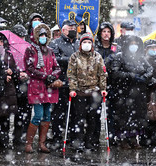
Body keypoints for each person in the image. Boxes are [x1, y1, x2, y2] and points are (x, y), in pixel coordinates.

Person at [24, 23, 61, 153]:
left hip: (49, 89)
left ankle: (42, 143)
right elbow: (30, 68)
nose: (43, 37)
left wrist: (53, 76)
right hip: (37, 88)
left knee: (47, 115)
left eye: (45, 35)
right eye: (41, 35)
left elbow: (57, 67)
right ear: (36, 36)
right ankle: (29, 143)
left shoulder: (50, 51)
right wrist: (45, 76)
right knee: (38, 115)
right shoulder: (30, 50)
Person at [67, 33, 107, 151]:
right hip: (80, 92)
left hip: (94, 92)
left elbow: (102, 74)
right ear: (80, 44)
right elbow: (71, 74)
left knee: (92, 117)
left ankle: (89, 141)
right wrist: (73, 88)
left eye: (89, 42)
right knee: (79, 117)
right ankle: (78, 141)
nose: (87, 45)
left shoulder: (97, 56)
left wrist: (103, 88)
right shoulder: (74, 57)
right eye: (84, 42)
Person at [112, 35, 153, 149]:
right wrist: (131, 76)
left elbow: (150, 69)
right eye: (131, 44)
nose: (134, 46)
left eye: (136, 44)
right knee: (124, 116)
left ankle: (134, 138)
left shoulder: (140, 57)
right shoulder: (120, 56)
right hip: (124, 92)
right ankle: (123, 139)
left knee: (137, 116)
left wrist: (144, 77)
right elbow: (115, 73)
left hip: (138, 92)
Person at [49, 19, 79, 149]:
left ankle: (72, 138)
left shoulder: (78, 43)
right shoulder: (55, 43)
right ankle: (56, 137)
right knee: (58, 113)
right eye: (70, 28)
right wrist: (72, 59)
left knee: (74, 113)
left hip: (75, 83)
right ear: (63, 29)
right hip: (61, 82)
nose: (73, 30)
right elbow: (54, 60)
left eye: (74, 28)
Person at [0, 33, 22, 148]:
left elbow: (16, 70)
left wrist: (12, 72)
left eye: (2, 42)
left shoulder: (9, 55)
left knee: (6, 117)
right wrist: (3, 74)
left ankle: (4, 141)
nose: (0, 44)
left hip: (8, 90)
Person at [94, 22, 121, 146]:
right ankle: (94, 138)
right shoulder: (95, 48)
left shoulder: (116, 48)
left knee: (113, 113)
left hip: (113, 84)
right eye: (104, 31)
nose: (106, 34)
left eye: (108, 32)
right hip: (97, 84)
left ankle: (112, 137)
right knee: (95, 112)